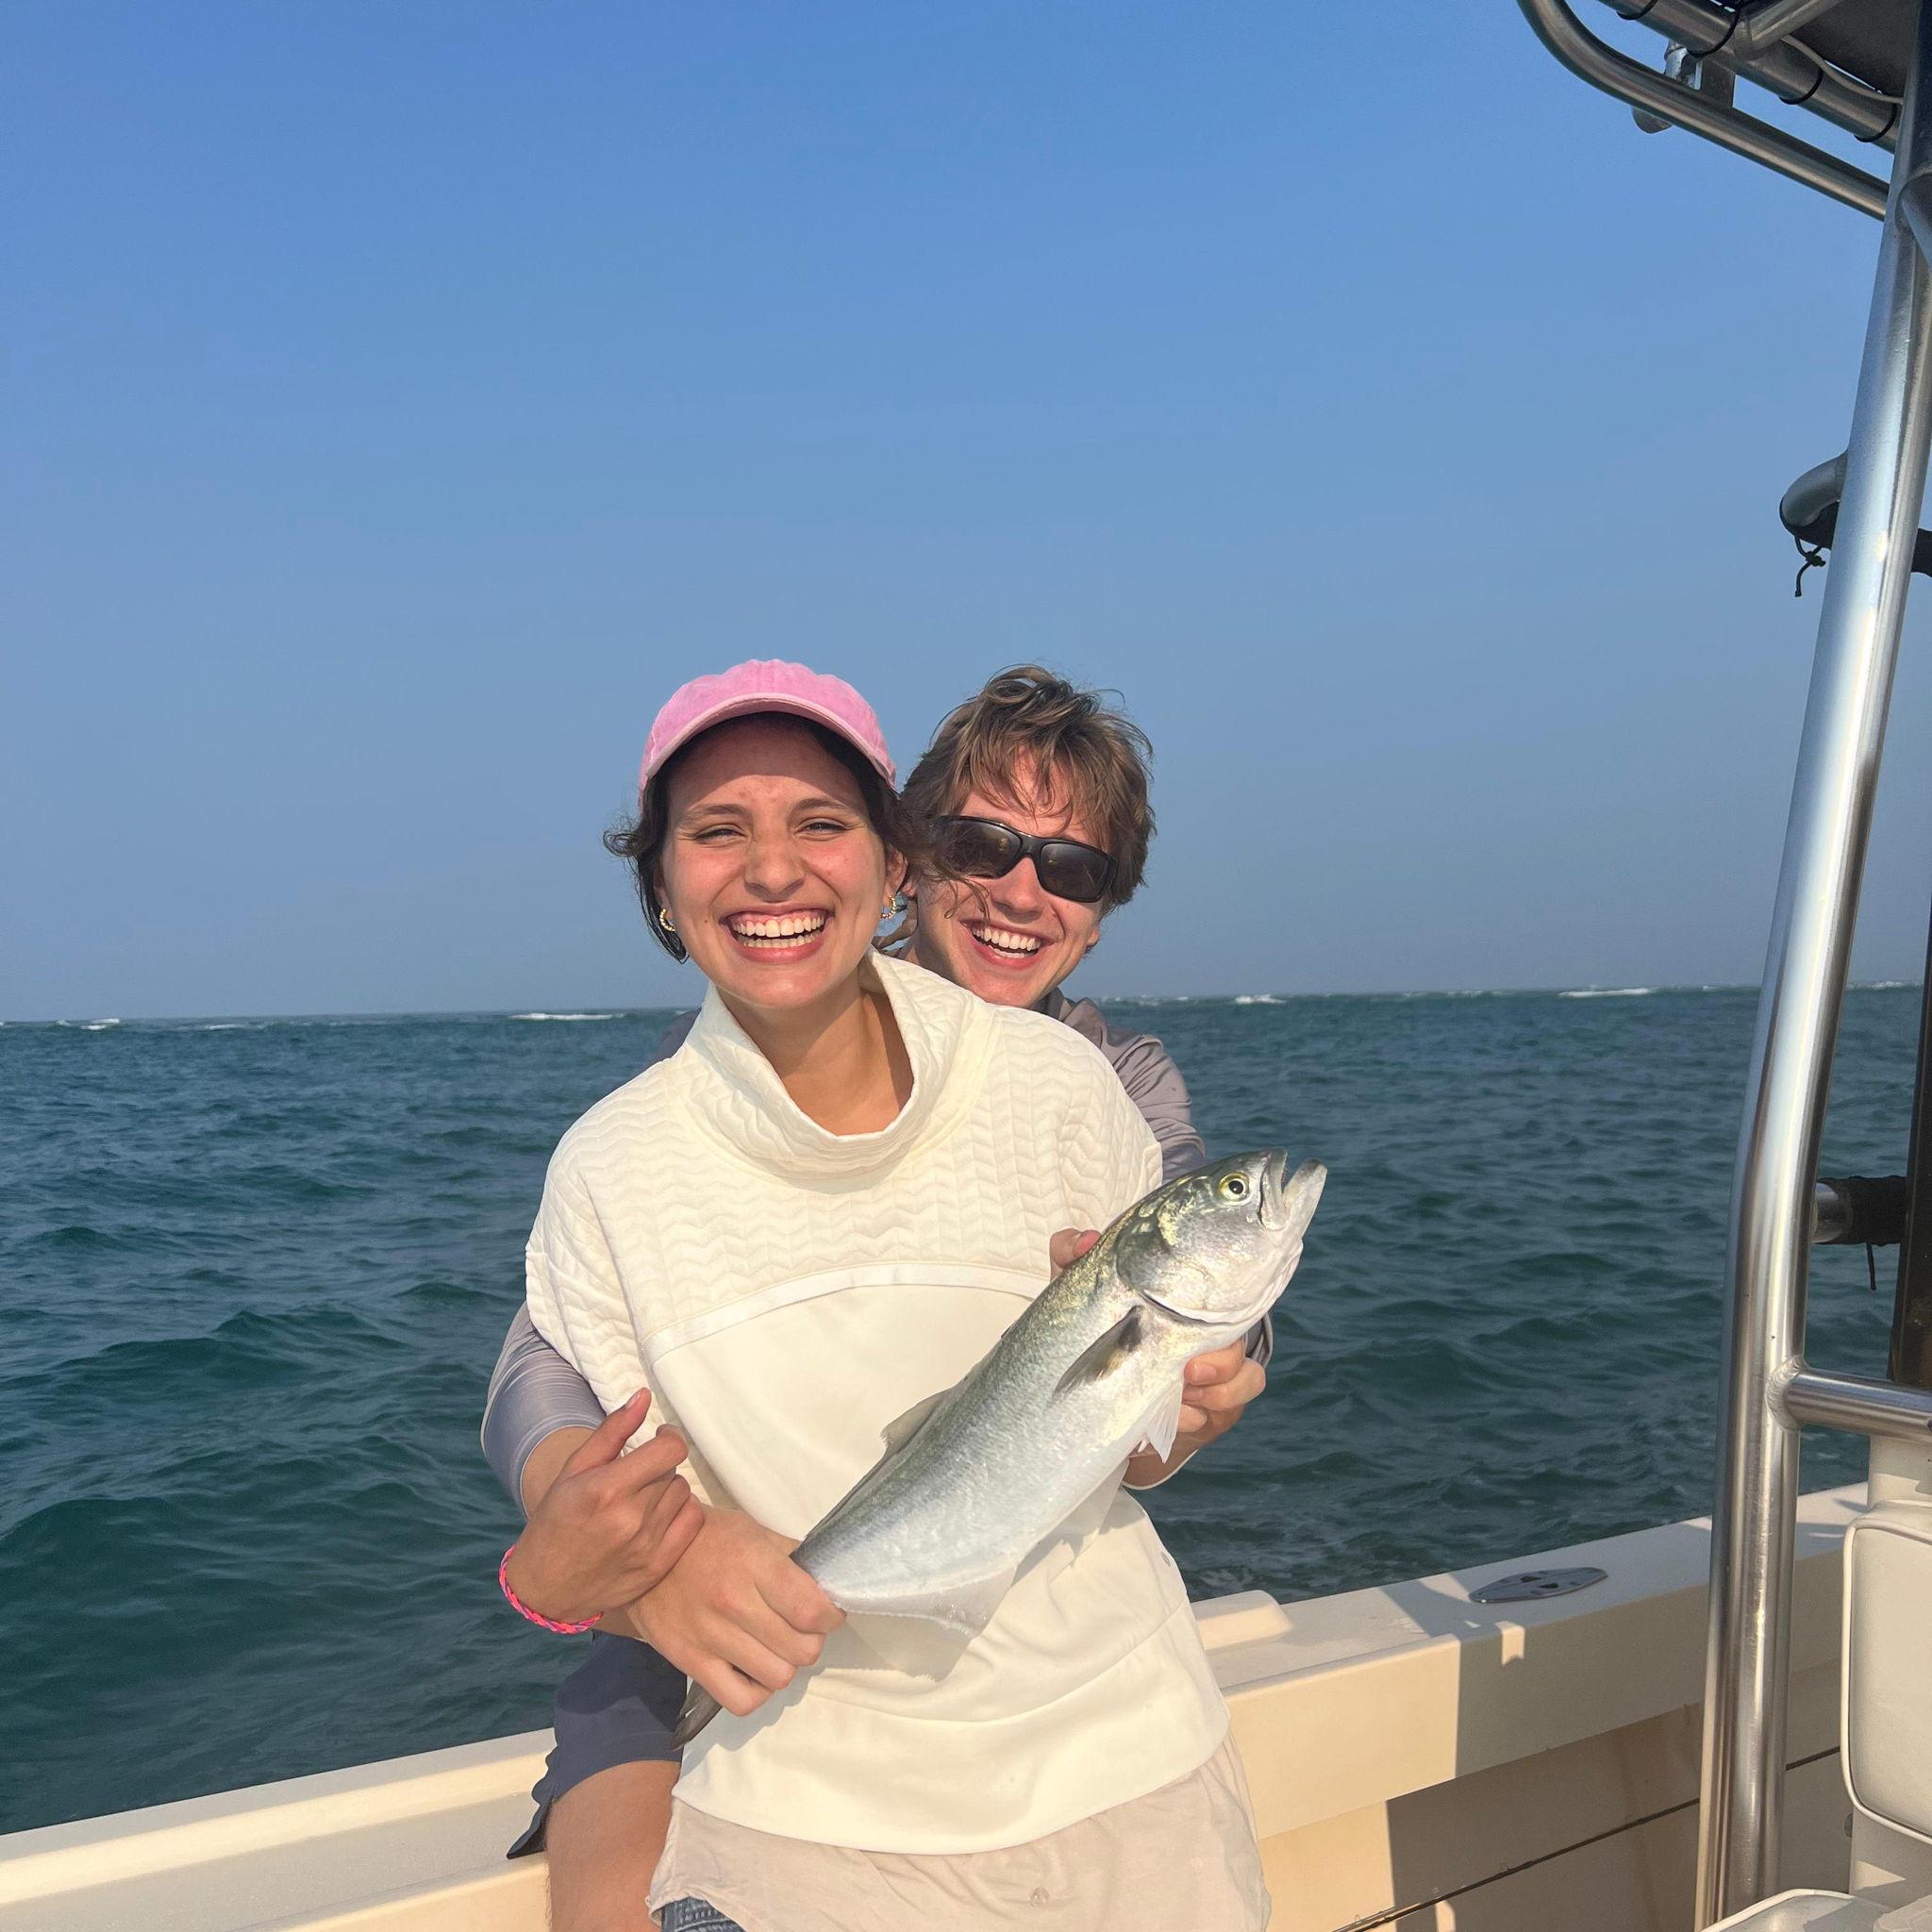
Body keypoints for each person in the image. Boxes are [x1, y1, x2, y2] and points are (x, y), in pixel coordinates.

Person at [491, 663, 1274, 1932]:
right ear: (918, 860)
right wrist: (600, 1570)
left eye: (1071, 869)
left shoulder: (1102, 1081)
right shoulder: (662, 1120)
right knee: (616, 1747)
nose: (1019, 891)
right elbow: (549, 1356)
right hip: (746, 1659)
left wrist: (1207, 1377)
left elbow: (1204, 1280)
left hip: (1075, 1689)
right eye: (983, 847)